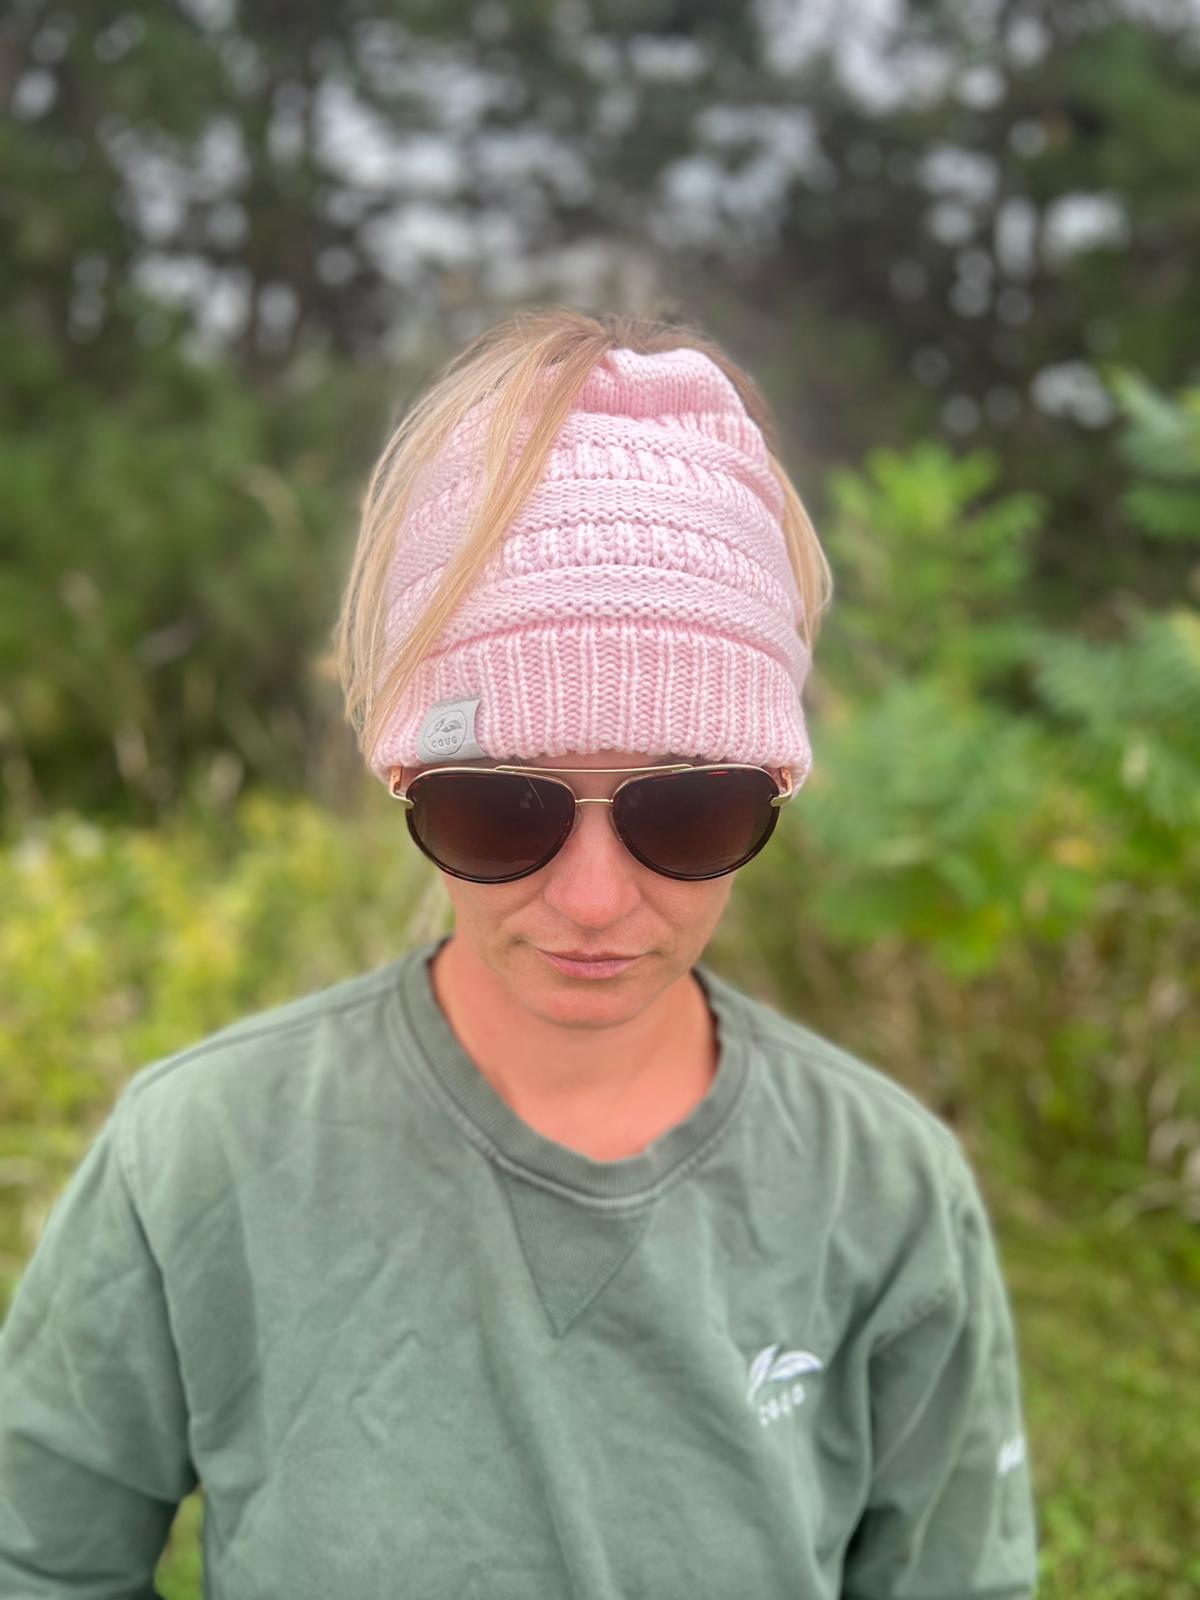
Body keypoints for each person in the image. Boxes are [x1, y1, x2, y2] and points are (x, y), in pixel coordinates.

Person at [0, 307, 1040, 1598]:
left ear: (775, 788)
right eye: (499, 808)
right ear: (405, 780)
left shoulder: (885, 1194)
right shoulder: (197, 1156)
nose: (595, 899)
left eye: (689, 808)